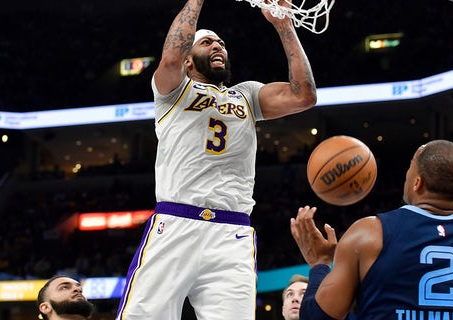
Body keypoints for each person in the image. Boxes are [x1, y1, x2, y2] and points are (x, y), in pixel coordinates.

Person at [116, 0, 317, 318]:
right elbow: (170, 58)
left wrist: (284, 26)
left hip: (231, 232)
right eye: (207, 42)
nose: (217, 46)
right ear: (189, 61)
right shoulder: (173, 92)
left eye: (221, 43)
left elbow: (303, 95)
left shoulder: (247, 95)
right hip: (176, 222)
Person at [290, 139, 453, 320]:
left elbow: (318, 318)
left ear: (417, 183)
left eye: (410, 166)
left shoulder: (369, 233)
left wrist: (319, 263)